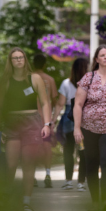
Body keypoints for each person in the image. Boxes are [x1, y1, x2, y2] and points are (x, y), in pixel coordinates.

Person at [0, 47, 53, 211]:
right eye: (15, 58)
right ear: (10, 61)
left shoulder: (34, 78)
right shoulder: (4, 81)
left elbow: (45, 102)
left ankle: (26, 201)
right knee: (11, 164)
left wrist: (46, 124)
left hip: (31, 123)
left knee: (28, 164)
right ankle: (6, 198)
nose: (18, 60)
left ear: (25, 60)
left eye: (21, 57)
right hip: (11, 123)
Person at [73, 45, 106, 211]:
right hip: (89, 128)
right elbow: (78, 104)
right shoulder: (88, 78)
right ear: (96, 59)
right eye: (102, 55)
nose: (105, 57)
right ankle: (95, 201)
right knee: (91, 164)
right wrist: (77, 128)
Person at [55, 57, 88, 191]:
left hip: (69, 119)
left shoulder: (66, 83)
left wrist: (52, 121)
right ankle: (81, 182)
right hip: (85, 118)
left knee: (68, 151)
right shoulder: (89, 83)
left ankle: (68, 181)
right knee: (82, 152)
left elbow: (60, 104)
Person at [32, 53, 58, 188]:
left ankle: (33, 176)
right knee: (47, 147)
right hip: (45, 120)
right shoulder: (50, 80)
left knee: (31, 148)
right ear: (44, 65)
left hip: (31, 119)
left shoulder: (28, 79)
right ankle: (48, 174)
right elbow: (54, 101)